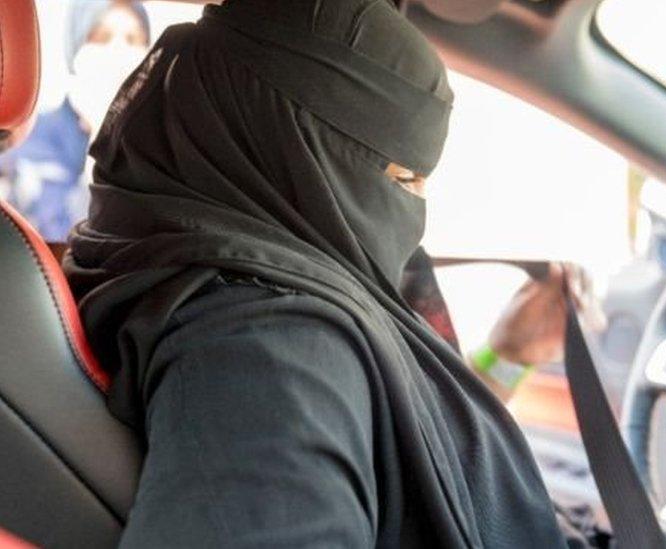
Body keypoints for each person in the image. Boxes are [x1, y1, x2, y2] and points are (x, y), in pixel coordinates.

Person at [65, 0, 605, 546]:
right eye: (405, 175)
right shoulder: (266, 345)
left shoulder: (164, 264)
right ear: (299, 158)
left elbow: (410, 464)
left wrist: (507, 359)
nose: (419, 202)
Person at [0, 0, 149, 241]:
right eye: (101, 37)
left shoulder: (157, 148)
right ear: (76, 48)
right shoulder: (32, 141)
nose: (118, 51)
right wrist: (104, 133)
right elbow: (58, 239)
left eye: (133, 39)